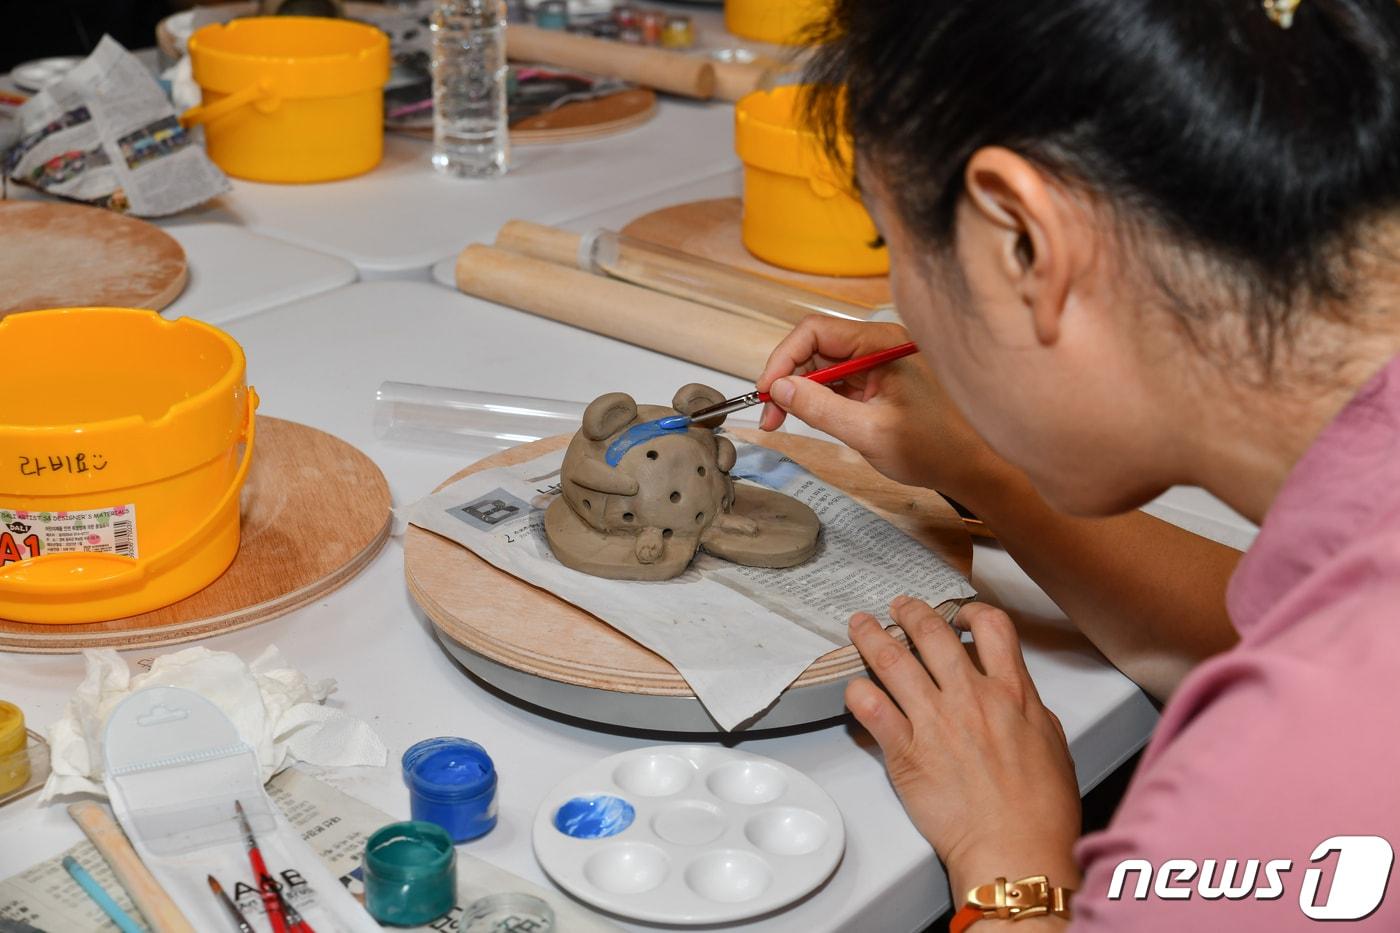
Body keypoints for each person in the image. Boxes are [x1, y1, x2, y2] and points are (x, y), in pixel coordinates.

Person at [758, 0, 1400, 928]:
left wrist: (1012, 862)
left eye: (885, 243)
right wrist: (994, 459)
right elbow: (1291, 623)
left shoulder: (1262, 800)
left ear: (1021, 239)